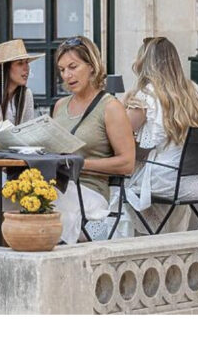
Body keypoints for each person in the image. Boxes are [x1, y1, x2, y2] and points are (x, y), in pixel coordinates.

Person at [123, 36, 198, 234]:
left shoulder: (147, 96)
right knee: (150, 171)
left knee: (122, 185)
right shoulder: (193, 90)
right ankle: (169, 234)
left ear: (145, 63)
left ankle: (147, 238)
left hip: (174, 182)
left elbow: (123, 138)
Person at [51, 36, 135, 243]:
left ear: (91, 66)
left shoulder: (110, 107)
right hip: (57, 184)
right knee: (11, 198)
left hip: (89, 190)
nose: (67, 75)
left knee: (36, 206)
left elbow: (127, 163)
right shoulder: (60, 106)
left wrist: (79, 164)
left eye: (73, 66)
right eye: (62, 70)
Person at [0, 39, 44, 125]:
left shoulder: (26, 94)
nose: (26, 68)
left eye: (27, 62)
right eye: (20, 63)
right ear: (5, 68)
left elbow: (28, 128)